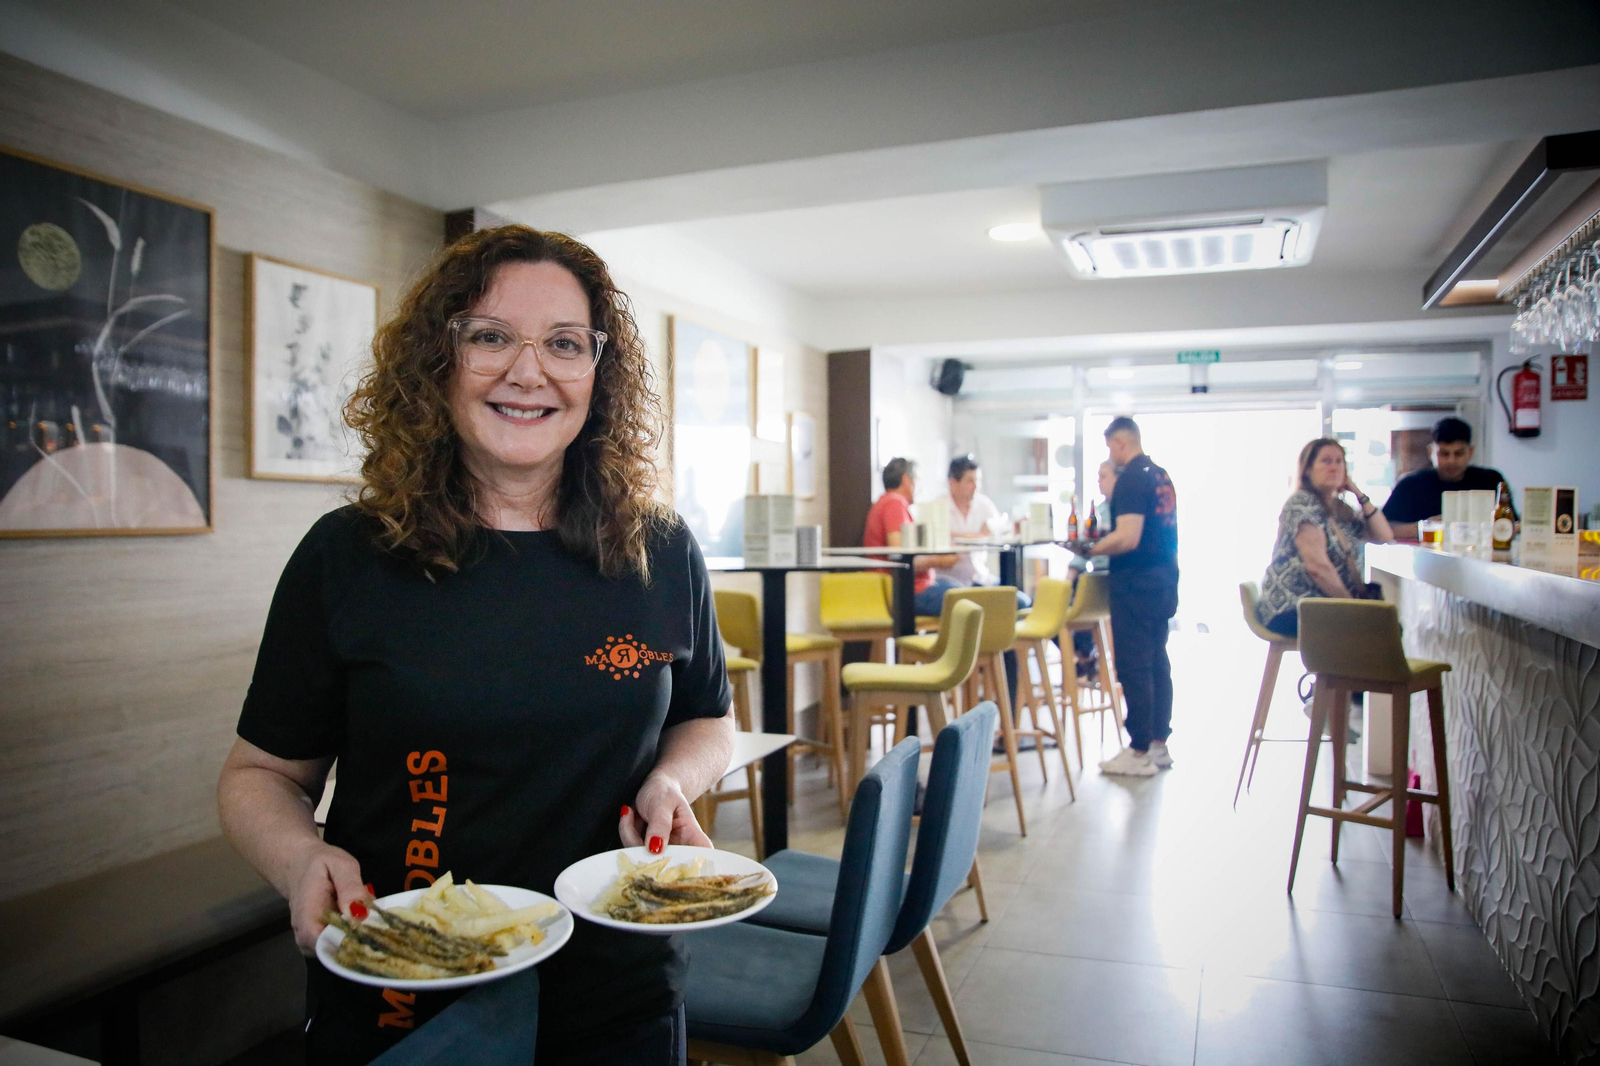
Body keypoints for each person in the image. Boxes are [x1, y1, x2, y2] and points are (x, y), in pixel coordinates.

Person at [216, 227, 735, 1066]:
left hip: (618, 990)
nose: (528, 372)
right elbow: (260, 775)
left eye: (565, 344)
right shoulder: (348, 556)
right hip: (409, 988)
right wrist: (299, 857)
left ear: (598, 375)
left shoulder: (660, 549)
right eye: (491, 336)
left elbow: (708, 718)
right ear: (438, 361)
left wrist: (674, 779)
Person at [1087, 417, 1178, 776]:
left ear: (1121, 443)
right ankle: (1158, 743)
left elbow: (1127, 537)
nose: (1111, 455)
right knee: (1157, 659)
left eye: (1110, 447)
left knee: (1135, 664)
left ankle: (1138, 749)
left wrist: (1091, 548)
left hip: (1136, 583)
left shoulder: (1131, 478)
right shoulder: (1160, 475)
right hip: (1164, 577)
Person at [1257, 437, 1396, 637]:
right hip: (1295, 606)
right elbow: (1318, 568)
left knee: (1387, 626)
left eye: (1340, 462)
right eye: (1326, 461)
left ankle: (1343, 670)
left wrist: (1358, 493)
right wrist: (1353, 608)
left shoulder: (1339, 509)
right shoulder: (1302, 503)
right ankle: (1344, 669)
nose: (1335, 468)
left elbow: (1384, 535)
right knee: (1382, 630)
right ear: (1307, 469)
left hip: (1322, 603)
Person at [1382, 416, 1515, 540]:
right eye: (1444, 454)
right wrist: (1424, 527)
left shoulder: (1490, 480)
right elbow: (1383, 528)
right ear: (1431, 452)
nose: (1451, 461)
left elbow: (1514, 524)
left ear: (1470, 452)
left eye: (1459, 453)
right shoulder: (1410, 485)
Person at [862, 457, 961, 616]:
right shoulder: (894, 504)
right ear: (907, 480)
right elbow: (900, 557)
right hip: (908, 592)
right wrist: (939, 561)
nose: (918, 487)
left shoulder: (885, 502)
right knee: (974, 601)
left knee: (964, 592)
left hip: (913, 587)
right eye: (917, 480)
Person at [933, 455, 1032, 607]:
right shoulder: (938, 507)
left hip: (981, 579)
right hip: (949, 583)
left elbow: (1001, 531)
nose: (975, 486)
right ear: (953, 483)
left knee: (1021, 602)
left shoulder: (984, 505)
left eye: (977, 481)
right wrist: (980, 535)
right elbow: (938, 537)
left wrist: (1015, 527)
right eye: (969, 481)